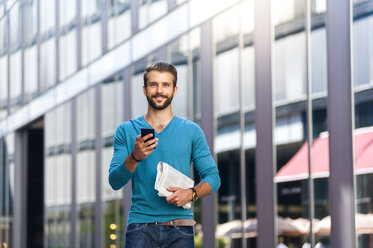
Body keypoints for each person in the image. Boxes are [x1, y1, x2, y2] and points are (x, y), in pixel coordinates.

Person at [108, 61, 221, 248]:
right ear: (144, 90)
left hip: (181, 228)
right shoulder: (126, 130)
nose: (159, 90)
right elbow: (115, 181)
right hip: (140, 228)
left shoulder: (192, 131)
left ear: (175, 90)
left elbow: (213, 178)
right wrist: (135, 157)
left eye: (165, 85)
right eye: (153, 85)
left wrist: (191, 193)